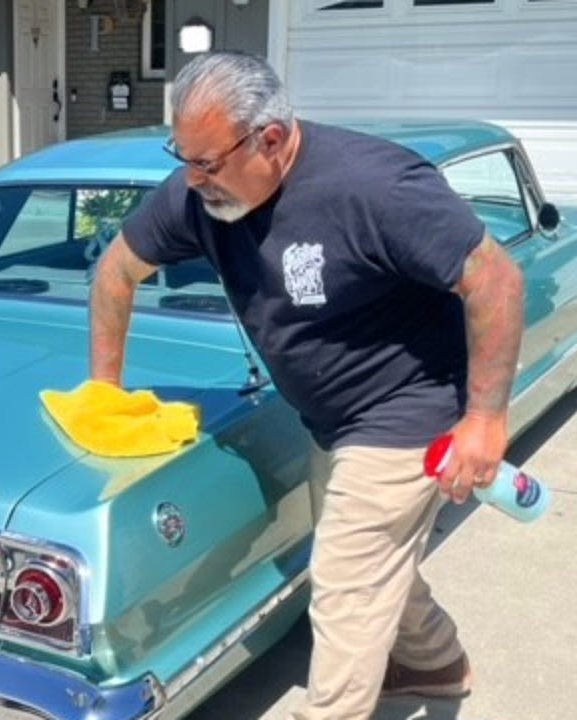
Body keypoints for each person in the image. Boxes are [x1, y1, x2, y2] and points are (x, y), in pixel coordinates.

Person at [88, 51, 525, 719]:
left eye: (208, 163)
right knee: (375, 563)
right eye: (185, 158)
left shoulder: (376, 186)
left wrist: (485, 420)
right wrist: (104, 398)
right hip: (330, 419)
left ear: (271, 138)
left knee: (347, 585)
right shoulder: (198, 194)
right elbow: (116, 274)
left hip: (407, 407)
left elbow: (495, 280)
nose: (194, 179)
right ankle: (438, 664)